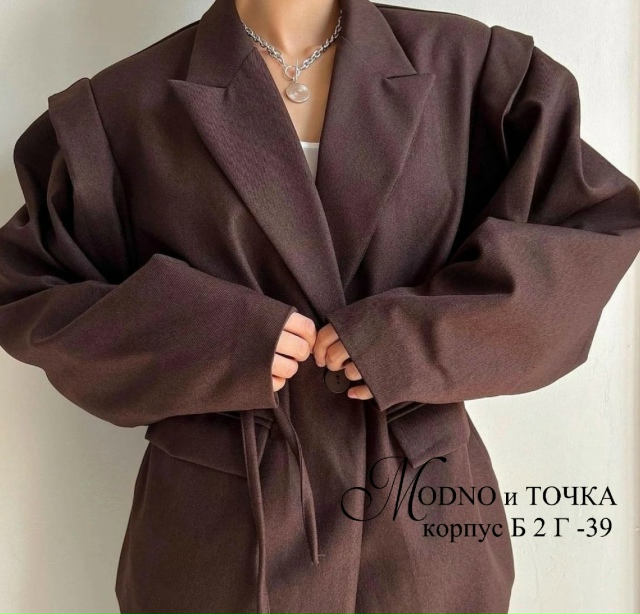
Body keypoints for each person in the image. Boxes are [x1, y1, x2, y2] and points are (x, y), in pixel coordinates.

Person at [1, 0, 639, 613]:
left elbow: (588, 234)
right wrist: (214, 337)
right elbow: (27, 291)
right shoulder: (122, 106)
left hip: (423, 531)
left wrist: (415, 336)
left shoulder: (472, 70)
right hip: (220, 540)